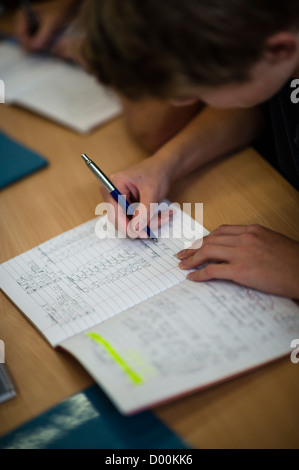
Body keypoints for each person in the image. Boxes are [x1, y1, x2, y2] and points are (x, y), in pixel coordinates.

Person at [79, 0, 299, 300]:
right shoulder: (272, 51)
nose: (184, 105)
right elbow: (254, 106)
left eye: (198, 90)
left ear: (279, 50)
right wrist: (164, 165)